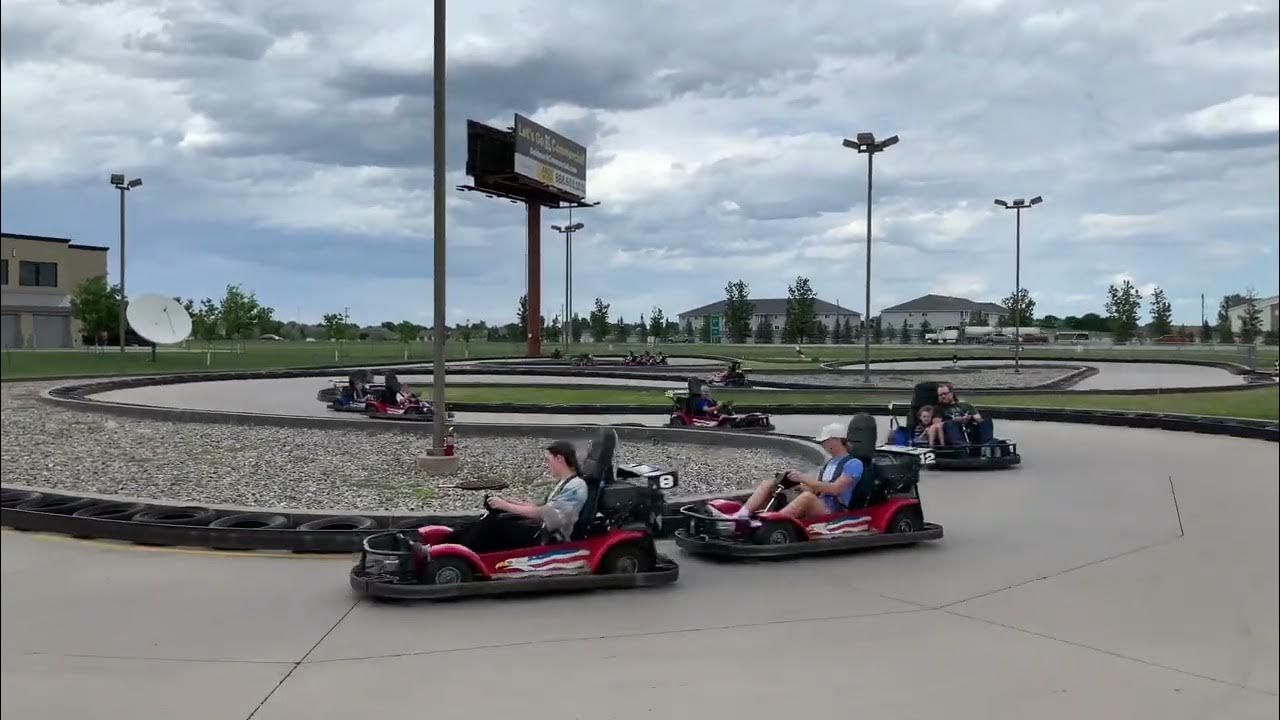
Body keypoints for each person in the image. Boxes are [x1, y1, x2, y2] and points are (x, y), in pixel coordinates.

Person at [442, 441, 590, 553]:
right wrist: (511, 503)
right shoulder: (564, 483)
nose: (546, 465)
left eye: (548, 460)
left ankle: (454, 553)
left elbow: (546, 515)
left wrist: (507, 506)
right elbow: (540, 508)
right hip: (540, 530)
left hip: (548, 538)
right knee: (489, 518)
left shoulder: (576, 486)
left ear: (560, 459)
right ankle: (445, 545)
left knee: (493, 525)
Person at [728, 422, 864, 519]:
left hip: (834, 510)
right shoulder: (830, 463)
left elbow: (835, 489)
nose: (823, 444)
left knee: (807, 497)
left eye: (825, 441)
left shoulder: (854, 464)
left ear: (837, 440)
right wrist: (795, 483)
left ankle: (772, 523)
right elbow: (816, 490)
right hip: (819, 503)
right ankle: (741, 515)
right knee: (769, 484)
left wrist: (804, 479)